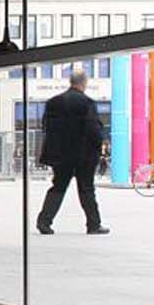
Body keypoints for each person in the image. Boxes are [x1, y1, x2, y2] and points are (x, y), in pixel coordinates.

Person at [35, 69, 109, 236]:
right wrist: (99, 147)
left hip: (61, 155)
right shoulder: (87, 103)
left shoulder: (53, 102)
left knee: (58, 187)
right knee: (86, 189)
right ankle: (93, 224)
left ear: (71, 82)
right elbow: (93, 130)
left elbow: (45, 126)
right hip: (83, 155)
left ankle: (44, 222)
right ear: (84, 83)